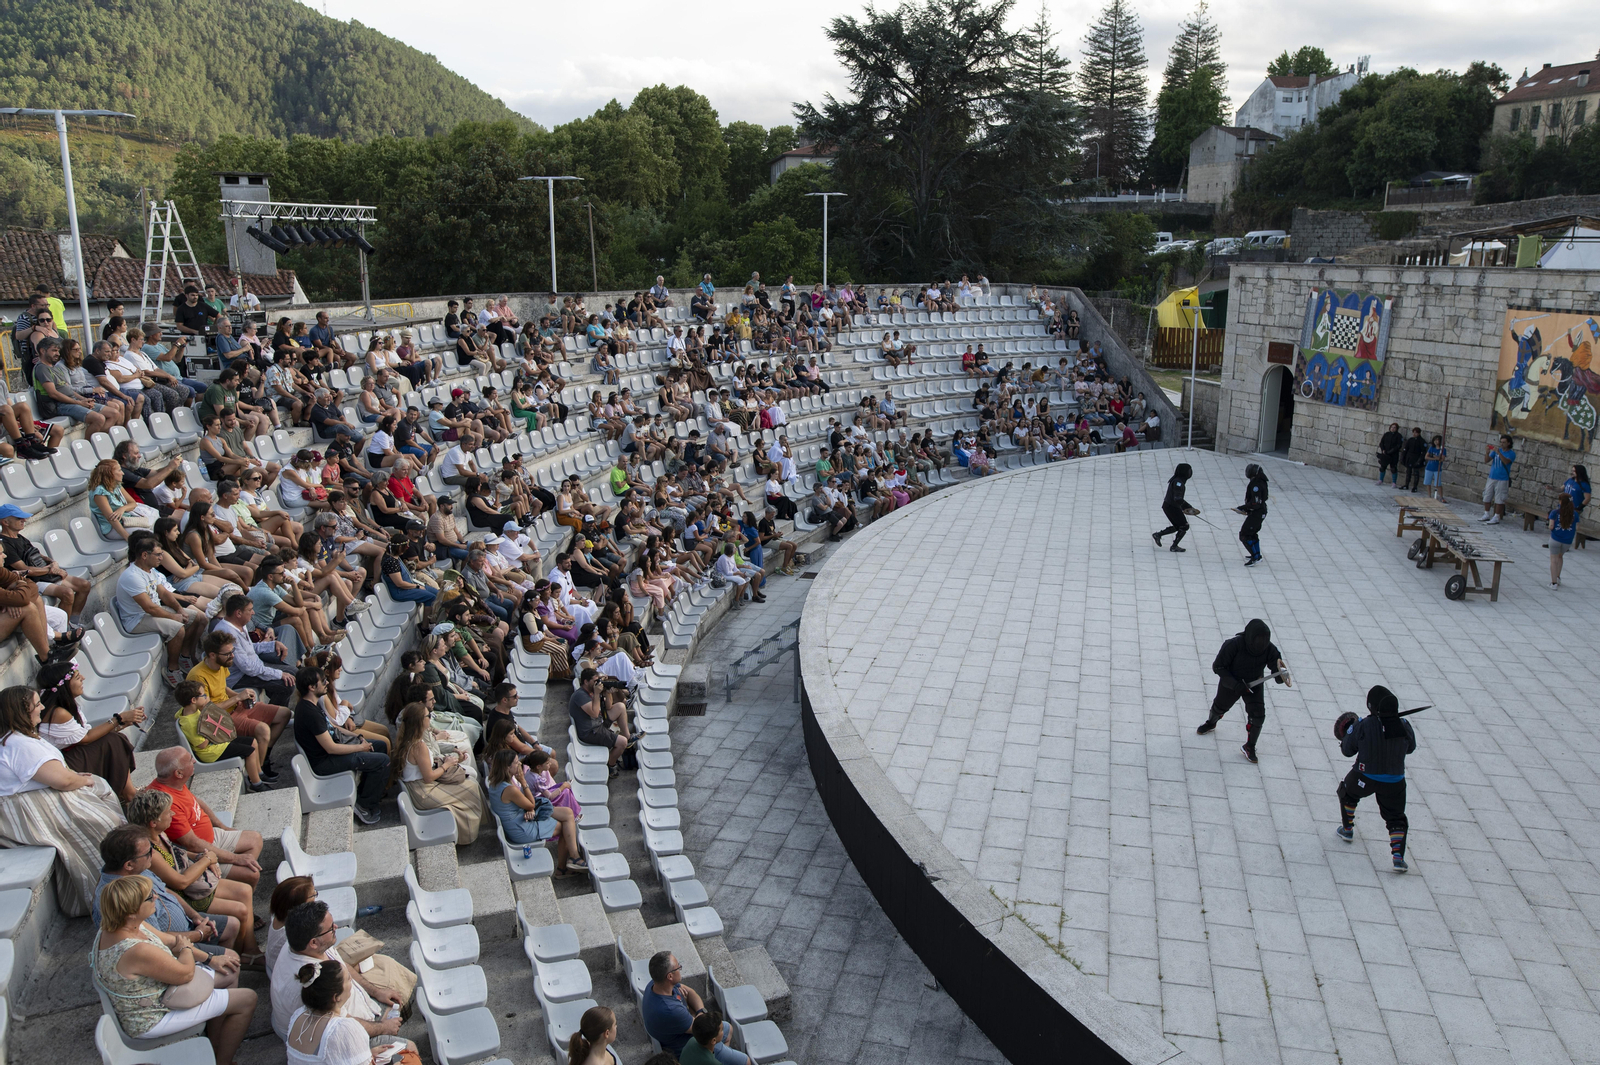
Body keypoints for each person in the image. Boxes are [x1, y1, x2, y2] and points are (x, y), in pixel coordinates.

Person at [90, 875, 256, 1065]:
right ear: (131, 912)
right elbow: (186, 973)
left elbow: (171, 941)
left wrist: (211, 959)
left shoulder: (122, 926)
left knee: (229, 969)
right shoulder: (136, 950)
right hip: (153, 1017)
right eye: (149, 897)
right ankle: (222, 1062)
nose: (156, 897)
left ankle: (215, 1044)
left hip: (159, 992)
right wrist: (186, 949)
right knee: (248, 999)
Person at [0, 685, 126, 915]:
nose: (42, 707)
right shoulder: (18, 745)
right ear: (21, 711)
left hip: (36, 801)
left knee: (100, 799)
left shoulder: (16, 739)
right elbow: (62, 781)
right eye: (37, 704)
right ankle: (112, 894)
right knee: (102, 823)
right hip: (29, 810)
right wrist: (83, 781)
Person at [124, 788, 262, 965]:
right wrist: (207, 859)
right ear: (153, 822)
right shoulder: (150, 851)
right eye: (168, 812)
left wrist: (200, 857)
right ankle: (241, 955)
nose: (172, 813)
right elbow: (180, 882)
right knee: (240, 911)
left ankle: (249, 950)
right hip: (187, 895)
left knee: (244, 890)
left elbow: (179, 852)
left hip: (193, 885)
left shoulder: (159, 834)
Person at [270, 899, 405, 1041]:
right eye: (330, 929)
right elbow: (339, 1022)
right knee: (408, 1047)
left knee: (389, 966)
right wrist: (383, 1027)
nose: (336, 927)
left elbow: (340, 964)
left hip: (349, 1012)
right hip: (334, 1035)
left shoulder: (302, 943)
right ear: (314, 943)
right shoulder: (311, 982)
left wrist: (376, 992)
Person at [148, 746, 266, 889]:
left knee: (255, 839)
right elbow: (192, 844)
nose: (194, 761)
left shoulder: (173, 782)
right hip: (200, 852)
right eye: (190, 760)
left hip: (211, 836)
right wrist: (236, 858)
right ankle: (233, 892)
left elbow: (196, 802)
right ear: (178, 773)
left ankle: (235, 888)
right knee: (251, 874)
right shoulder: (167, 802)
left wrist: (222, 827)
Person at [1335, 685, 1417, 873]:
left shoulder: (1363, 725)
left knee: (1347, 792)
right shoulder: (1403, 724)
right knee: (1395, 817)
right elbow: (1411, 747)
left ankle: (1347, 829)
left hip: (1364, 777)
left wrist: (1349, 730)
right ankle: (1398, 857)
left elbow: (1347, 751)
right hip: (1394, 782)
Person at [293, 667, 388, 825]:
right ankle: (364, 805)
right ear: (311, 687)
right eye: (323, 681)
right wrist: (360, 747)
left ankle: (368, 792)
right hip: (324, 762)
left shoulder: (312, 704)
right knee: (382, 761)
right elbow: (331, 748)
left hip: (333, 750)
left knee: (380, 746)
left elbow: (334, 727)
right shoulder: (309, 713)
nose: (327, 683)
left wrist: (358, 737)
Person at [37, 659, 141, 801]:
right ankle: (129, 793)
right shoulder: (58, 713)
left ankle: (127, 791)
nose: (83, 679)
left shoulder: (65, 704)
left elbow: (84, 735)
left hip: (71, 753)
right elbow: (86, 739)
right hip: (62, 765)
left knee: (116, 738)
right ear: (65, 685)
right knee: (113, 741)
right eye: (78, 677)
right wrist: (119, 718)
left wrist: (122, 724)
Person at [285, 956, 418, 1065]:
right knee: (411, 1058)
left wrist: (369, 1054)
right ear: (336, 997)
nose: (352, 982)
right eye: (348, 979)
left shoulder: (298, 1016)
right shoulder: (344, 1029)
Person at [117, 532, 209, 686]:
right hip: (137, 619)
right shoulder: (132, 576)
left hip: (152, 611)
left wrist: (180, 610)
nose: (161, 558)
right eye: (158, 554)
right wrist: (174, 617)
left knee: (198, 617)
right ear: (145, 555)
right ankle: (172, 670)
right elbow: (149, 608)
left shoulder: (150, 570)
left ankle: (184, 656)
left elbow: (164, 594)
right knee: (178, 628)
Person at [1196, 619, 1291, 764]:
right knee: (1219, 707)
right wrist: (1234, 684)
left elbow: (1276, 666)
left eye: (1265, 640)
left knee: (1258, 716)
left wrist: (1279, 676)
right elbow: (1218, 667)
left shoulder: (1270, 649)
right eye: (1259, 640)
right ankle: (1211, 722)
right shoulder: (1233, 645)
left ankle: (1250, 746)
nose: (1262, 643)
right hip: (1231, 683)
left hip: (1255, 684)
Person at [389, 701, 483, 844]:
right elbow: (428, 777)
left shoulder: (407, 740)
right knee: (471, 787)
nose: (430, 718)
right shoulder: (418, 745)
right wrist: (447, 765)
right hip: (423, 792)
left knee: (470, 783)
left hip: (417, 788)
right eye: (428, 716)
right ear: (420, 721)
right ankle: (468, 835)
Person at [484, 749, 585, 875]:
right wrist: (523, 781)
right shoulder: (509, 789)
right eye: (516, 763)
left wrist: (529, 809)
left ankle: (573, 858)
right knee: (566, 825)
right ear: (507, 767)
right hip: (521, 828)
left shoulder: (495, 782)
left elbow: (525, 804)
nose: (520, 765)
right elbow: (530, 803)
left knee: (568, 813)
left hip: (521, 816)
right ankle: (563, 868)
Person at [641, 951, 751, 1065]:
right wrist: (693, 1012)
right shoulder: (670, 1010)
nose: (680, 968)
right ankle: (713, 1056)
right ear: (670, 976)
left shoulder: (656, 984)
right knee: (746, 1061)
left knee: (728, 1029)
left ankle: (718, 1056)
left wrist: (700, 1012)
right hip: (692, 1045)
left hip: (693, 1033)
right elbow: (701, 1028)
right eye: (678, 967)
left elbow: (690, 992)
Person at [1151, 462, 1197, 553]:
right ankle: (1174, 546)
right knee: (1184, 526)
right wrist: (1187, 507)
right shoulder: (1178, 483)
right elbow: (1178, 499)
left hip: (1169, 506)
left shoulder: (1178, 480)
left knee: (1178, 526)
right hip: (1172, 507)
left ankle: (1158, 535)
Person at [1235, 463, 1269, 567]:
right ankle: (1257, 554)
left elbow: (1255, 503)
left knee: (1244, 535)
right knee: (1253, 533)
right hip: (1260, 511)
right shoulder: (1260, 482)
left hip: (1257, 513)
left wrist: (1244, 507)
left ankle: (1255, 557)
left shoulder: (1256, 485)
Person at [1479, 435, 1514, 524]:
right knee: (1487, 495)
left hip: (1502, 479)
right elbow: (1486, 460)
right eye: (1501, 442)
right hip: (1492, 477)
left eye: (1504, 442)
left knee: (1500, 498)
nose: (1502, 444)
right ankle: (1486, 514)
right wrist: (1487, 453)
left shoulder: (1511, 453)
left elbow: (1506, 462)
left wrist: (1499, 452)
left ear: (1508, 443)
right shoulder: (1496, 452)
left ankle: (1497, 516)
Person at [1549, 493, 1578, 588]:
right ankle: (1558, 577)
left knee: (1553, 560)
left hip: (1555, 539)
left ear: (1561, 502)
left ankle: (1553, 583)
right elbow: (1576, 527)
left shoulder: (1555, 512)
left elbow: (1551, 526)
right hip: (1567, 541)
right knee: (1560, 557)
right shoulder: (1575, 515)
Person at [1400, 427, 1427, 492]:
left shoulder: (1422, 441)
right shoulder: (1410, 440)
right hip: (1409, 458)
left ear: (1419, 433)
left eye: (1416, 432)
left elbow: (1423, 452)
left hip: (1417, 458)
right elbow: (1405, 449)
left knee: (1416, 473)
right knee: (1408, 472)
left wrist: (1419, 460)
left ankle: (1415, 487)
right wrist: (1403, 457)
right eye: (1414, 432)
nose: (1414, 434)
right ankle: (1406, 485)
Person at [1423, 435, 1447, 500]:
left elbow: (1442, 459)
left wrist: (1436, 458)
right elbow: (1426, 457)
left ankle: (1441, 496)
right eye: (1435, 440)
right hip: (1429, 467)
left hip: (1437, 469)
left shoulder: (1443, 450)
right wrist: (1435, 458)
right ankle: (1429, 495)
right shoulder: (1431, 448)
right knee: (1428, 482)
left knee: (1438, 483)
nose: (1436, 442)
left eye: (1437, 440)